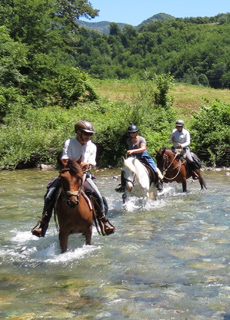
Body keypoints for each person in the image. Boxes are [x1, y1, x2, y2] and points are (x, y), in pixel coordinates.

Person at [32, 120, 115, 238]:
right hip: (68, 174)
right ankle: (43, 224)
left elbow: (92, 162)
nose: (88, 136)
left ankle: (103, 222)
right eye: (86, 134)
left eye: (90, 134)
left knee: (98, 196)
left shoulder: (92, 146)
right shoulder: (69, 142)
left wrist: (87, 165)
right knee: (50, 194)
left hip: (84, 175)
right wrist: (77, 165)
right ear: (78, 132)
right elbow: (65, 159)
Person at [115, 124, 163, 192]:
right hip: (133, 157)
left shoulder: (141, 139)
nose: (132, 134)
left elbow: (143, 148)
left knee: (153, 167)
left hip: (143, 156)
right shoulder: (128, 140)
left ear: (137, 132)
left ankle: (157, 183)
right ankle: (123, 185)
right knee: (124, 170)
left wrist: (132, 151)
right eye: (131, 133)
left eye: (134, 132)